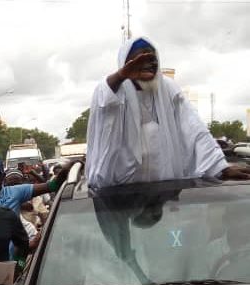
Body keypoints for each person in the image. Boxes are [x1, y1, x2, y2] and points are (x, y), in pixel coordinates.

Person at [86, 36, 250, 188]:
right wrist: (122, 75)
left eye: (152, 58)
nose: (148, 63)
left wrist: (220, 167)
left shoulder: (168, 89)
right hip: (118, 194)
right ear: (126, 63)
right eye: (139, 59)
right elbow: (105, 99)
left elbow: (195, 130)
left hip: (165, 192)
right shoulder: (113, 90)